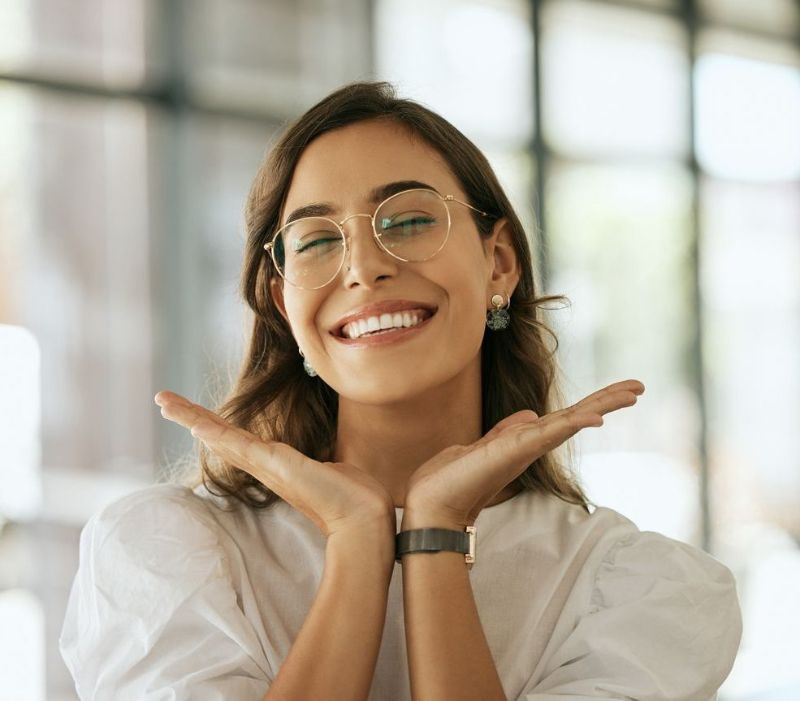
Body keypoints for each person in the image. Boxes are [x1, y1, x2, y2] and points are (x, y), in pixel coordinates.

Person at [60, 81, 742, 701]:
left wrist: (436, 534)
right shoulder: (163, 554)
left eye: (409, 221)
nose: (363, 268)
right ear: (283, 303)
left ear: (497, 263)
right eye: (316, 240)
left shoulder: (639, 590)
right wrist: (357, 541)